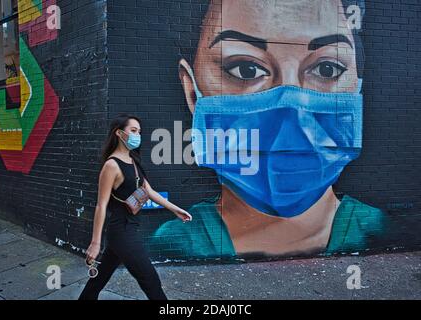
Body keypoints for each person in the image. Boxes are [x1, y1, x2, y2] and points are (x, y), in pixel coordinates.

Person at [151, 0, 389, 259]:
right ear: (192, 94)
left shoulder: (382, 230)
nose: (290, 110)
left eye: (327, 68)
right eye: (246, 69)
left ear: (357, 88)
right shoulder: (173, 244)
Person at [79, 114, 192, 300]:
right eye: (133, 130)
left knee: (99, 279)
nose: (137, 135)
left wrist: (175, 209)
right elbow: (101, 205)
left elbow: (149, 191)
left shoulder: (133, 160)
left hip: (129, 227)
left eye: (139, 131)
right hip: (122, 231)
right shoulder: (111, 166)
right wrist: (95, 242)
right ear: (119, 133)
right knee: (151, 280)